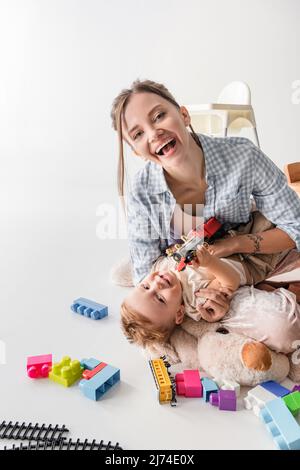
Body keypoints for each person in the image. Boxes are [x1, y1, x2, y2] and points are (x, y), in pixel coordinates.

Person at [110, 79, 300, 315]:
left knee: (279, 324)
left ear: (184, 115)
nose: (154, 133)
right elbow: (146, 278)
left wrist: (235, 244)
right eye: (138, 133)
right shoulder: (141, 189)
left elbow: (296, 227)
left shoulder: (243, 155)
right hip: (182, 269)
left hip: (238, 252)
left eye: (159, 116)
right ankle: (136, 257)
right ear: (137, 152)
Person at [120, 244, 300, 355]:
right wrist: (209, 263)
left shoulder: (158, 268)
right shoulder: (197, 300)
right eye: (160, 299)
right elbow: (230, 280)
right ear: (179, 314)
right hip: (248, 259)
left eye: (145, 286)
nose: (156, 284)